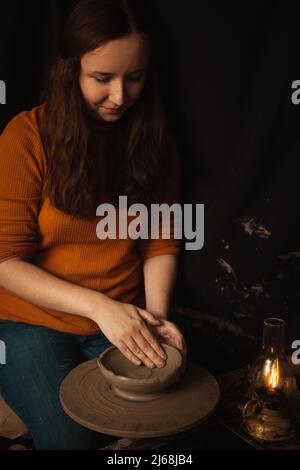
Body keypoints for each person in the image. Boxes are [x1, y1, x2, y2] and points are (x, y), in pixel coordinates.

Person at [0, 0, 186, 450]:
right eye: (102, 79)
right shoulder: (25, 138)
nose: (120, 97)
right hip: (29, 322)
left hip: (124, 317)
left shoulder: (153, 138)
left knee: (163, 433)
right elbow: (5, 260)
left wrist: (156, 318)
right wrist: (100, 307)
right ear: (70, 72)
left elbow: (160, 240)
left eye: (135, 77)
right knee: (72, 440)